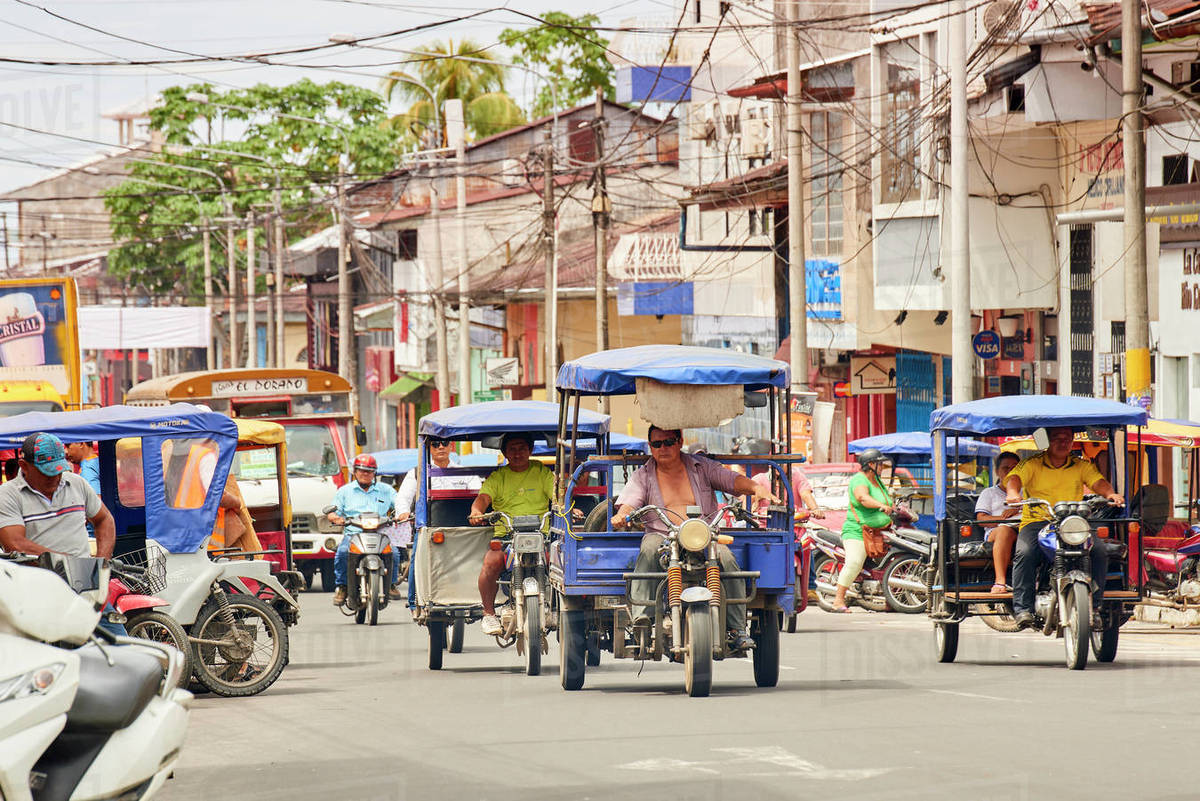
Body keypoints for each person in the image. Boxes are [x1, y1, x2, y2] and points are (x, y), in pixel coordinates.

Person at [611, 425, 778, 650]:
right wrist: (622, 515)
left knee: (727, 559)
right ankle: (642, 618)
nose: (663, 448)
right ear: (650, 447)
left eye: (668, 442)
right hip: (662, 536)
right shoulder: (643, 475)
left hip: (703, 535)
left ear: (680, 441)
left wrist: (756, 487)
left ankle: (737, 629)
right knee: (648, 549)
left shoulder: (702, 467)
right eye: (657, 444)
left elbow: (730, 479)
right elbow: (629, 502)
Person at [0, 433, 121, 635]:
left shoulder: (77, 483)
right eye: (47, 473)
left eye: (59, 471)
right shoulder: (7, 495)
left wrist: (101, 565)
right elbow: (15, 543)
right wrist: (66, 564)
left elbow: (104, 520)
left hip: (84, 583)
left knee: (121, 650)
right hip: (37, 589)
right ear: (24, 466)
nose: (55, 478)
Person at [1004, 427, 1123, 630]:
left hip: (1072, 522)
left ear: (1073, 441)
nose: (1062, 442)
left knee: (1099, 552)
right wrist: (1013, 493)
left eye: (1067, 438)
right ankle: (1023, 609)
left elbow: (1098, 482)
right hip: (1038, 521)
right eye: (1057, 438)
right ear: (1047, 441)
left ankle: (1095, 606)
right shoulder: (1032, 463)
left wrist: (1111, 494)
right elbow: (1014, 479)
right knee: (1025, 553)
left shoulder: (1080, 465)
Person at [468, 432, 555, 635]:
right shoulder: (498, 477)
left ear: (531, 450)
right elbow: (483, 498)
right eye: (512, 449)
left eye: (522, 448)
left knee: (559, 561)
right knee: (491, 563)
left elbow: (557, 496)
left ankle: (556, 606)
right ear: (505, 453)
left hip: (540, 536)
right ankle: (489, 614)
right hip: (506, 537)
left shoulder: (542, 472)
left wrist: (568, 508)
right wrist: (476, 511)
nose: (517, 454)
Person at [397, 437, 481, 608]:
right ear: (428, 447)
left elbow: (479, 494)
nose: (440, 447)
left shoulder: (466, 473)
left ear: (452, 446)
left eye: (444, 443)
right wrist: (403, 512)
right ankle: (414, 601)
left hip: (460, 528)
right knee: (416, 559)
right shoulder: (417, 473)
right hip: (429, 526)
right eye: (435, 444)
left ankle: (478, 598)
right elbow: (402, 498)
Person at [326, 454, 397, 606]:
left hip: (379, 533)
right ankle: (343, 586)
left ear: (374, 473)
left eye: (369, 471)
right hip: (353, 534)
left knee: (394, 553)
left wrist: (403, 513)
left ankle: (391, 584)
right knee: (343, 553)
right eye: (362, 470)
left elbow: (400, 504)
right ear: (355, 472)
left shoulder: (386, 490)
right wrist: (335, 518)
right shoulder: (345, 491)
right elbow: (333, 511)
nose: (365, 474)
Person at [832, 448, 894, 614]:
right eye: (880, 464)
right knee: (854, 562)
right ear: (871, 464)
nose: (882, 467)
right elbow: (862, 498)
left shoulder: (877, 481)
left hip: (879, 532)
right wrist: (881, 505)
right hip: (858, 531)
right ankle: (838, 599)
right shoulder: (859, 480)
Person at [974, 451, 1021, 593]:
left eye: (1015, 467)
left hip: (1024, 529)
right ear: (997, 471)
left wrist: (1018, 511)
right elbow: (981, 519)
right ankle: (1000, 581)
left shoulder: (1028, 491)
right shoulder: (988, 493)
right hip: (996, 533)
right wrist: (1004, 518)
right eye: (1006, 468)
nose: (1010, 471)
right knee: (1004, 530)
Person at [752, 464, 824, 519]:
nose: (779, 466)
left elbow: (806, 494)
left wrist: (815, 509)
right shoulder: (759, 479)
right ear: (770, 465)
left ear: (789, 464)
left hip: (793, 523)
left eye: (783, 463)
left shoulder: (797, 476)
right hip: (765, 524)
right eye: (776, 463)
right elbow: (749, 500)